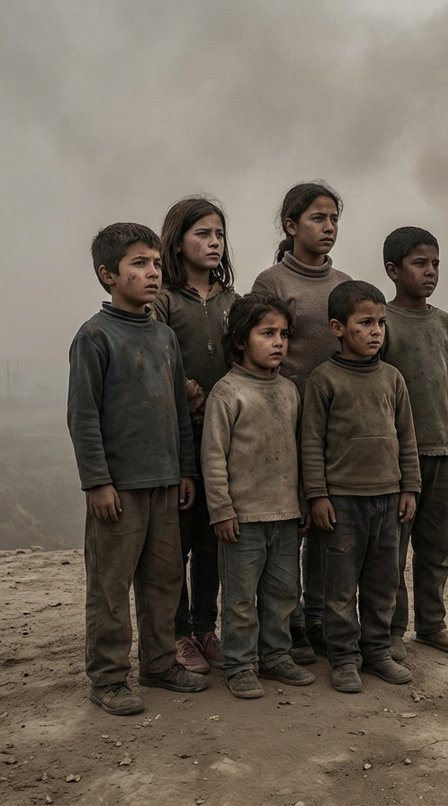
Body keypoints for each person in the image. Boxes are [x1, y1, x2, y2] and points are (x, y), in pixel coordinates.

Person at [67, 222, 209, 716]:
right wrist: (97, 481)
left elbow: (178, 411)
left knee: (165, 579)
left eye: (154, 263)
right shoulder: (94, 337)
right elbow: (83, 416)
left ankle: (158, 663)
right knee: (110, 586)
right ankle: (107, 678)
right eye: (139, 264)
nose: (152, 273)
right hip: (119, 490)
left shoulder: (165, 337)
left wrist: (186, 471)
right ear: (108, 275)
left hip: (166, 484)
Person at [301, 280, 420, 693]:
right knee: (339, 587)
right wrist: (317, 495)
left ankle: (377, 652)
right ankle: (344, 657)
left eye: (381, 323)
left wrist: (410, 489)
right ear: (337, 327)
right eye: (365, 322)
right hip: (342, 503)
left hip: (387, 499)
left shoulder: (392, 379)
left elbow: (407, 438)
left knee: (383, 581)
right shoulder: (323, 380)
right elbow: (311, 443)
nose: (376, 332)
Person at [252, 181, 351, 664]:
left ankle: (316, 618)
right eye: (317, 218)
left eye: (333, 218)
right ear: (292, 226)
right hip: (285, 421)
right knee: (288, 523)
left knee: (325, 520)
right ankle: (285, 622)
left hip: (336, 426)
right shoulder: (272, 283)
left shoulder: (345, 286)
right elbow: (259, 348)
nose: (328, 227)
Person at [201, 294, 316, 699]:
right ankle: (239, 664)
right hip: (242, 519)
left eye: (283, 334)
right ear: (240, 340)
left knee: (283, 593)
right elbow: (213, 457)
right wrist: (221, 510)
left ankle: (277, 656)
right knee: (239, 600)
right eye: (267, 333)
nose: (278, 342)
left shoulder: (289, 391)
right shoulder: (227, 393)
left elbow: (299, 452)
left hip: (284, 515)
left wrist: (302, 501)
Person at [380, 227, 448, 659]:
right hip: (400, 459)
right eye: (420, 263)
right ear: (393, 270)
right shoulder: (381, 322)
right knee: (393, 549)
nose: (431, 271)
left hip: (439, 451)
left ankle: (432, 624)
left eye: (435, 263)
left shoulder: (445, 324)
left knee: (435, 548)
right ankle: (391, 630)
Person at [155, 196, 239, 674]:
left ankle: (206, 628)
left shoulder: (233, 302)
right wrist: (202, 400)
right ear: (178, 240)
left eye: (219, 235)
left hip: (224, 444)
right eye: (201, 234)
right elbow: (163, 370)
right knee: (177, 541)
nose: (212, 243)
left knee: (213, 539)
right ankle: (179, 633)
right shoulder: (163, 302)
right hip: (178, 441)